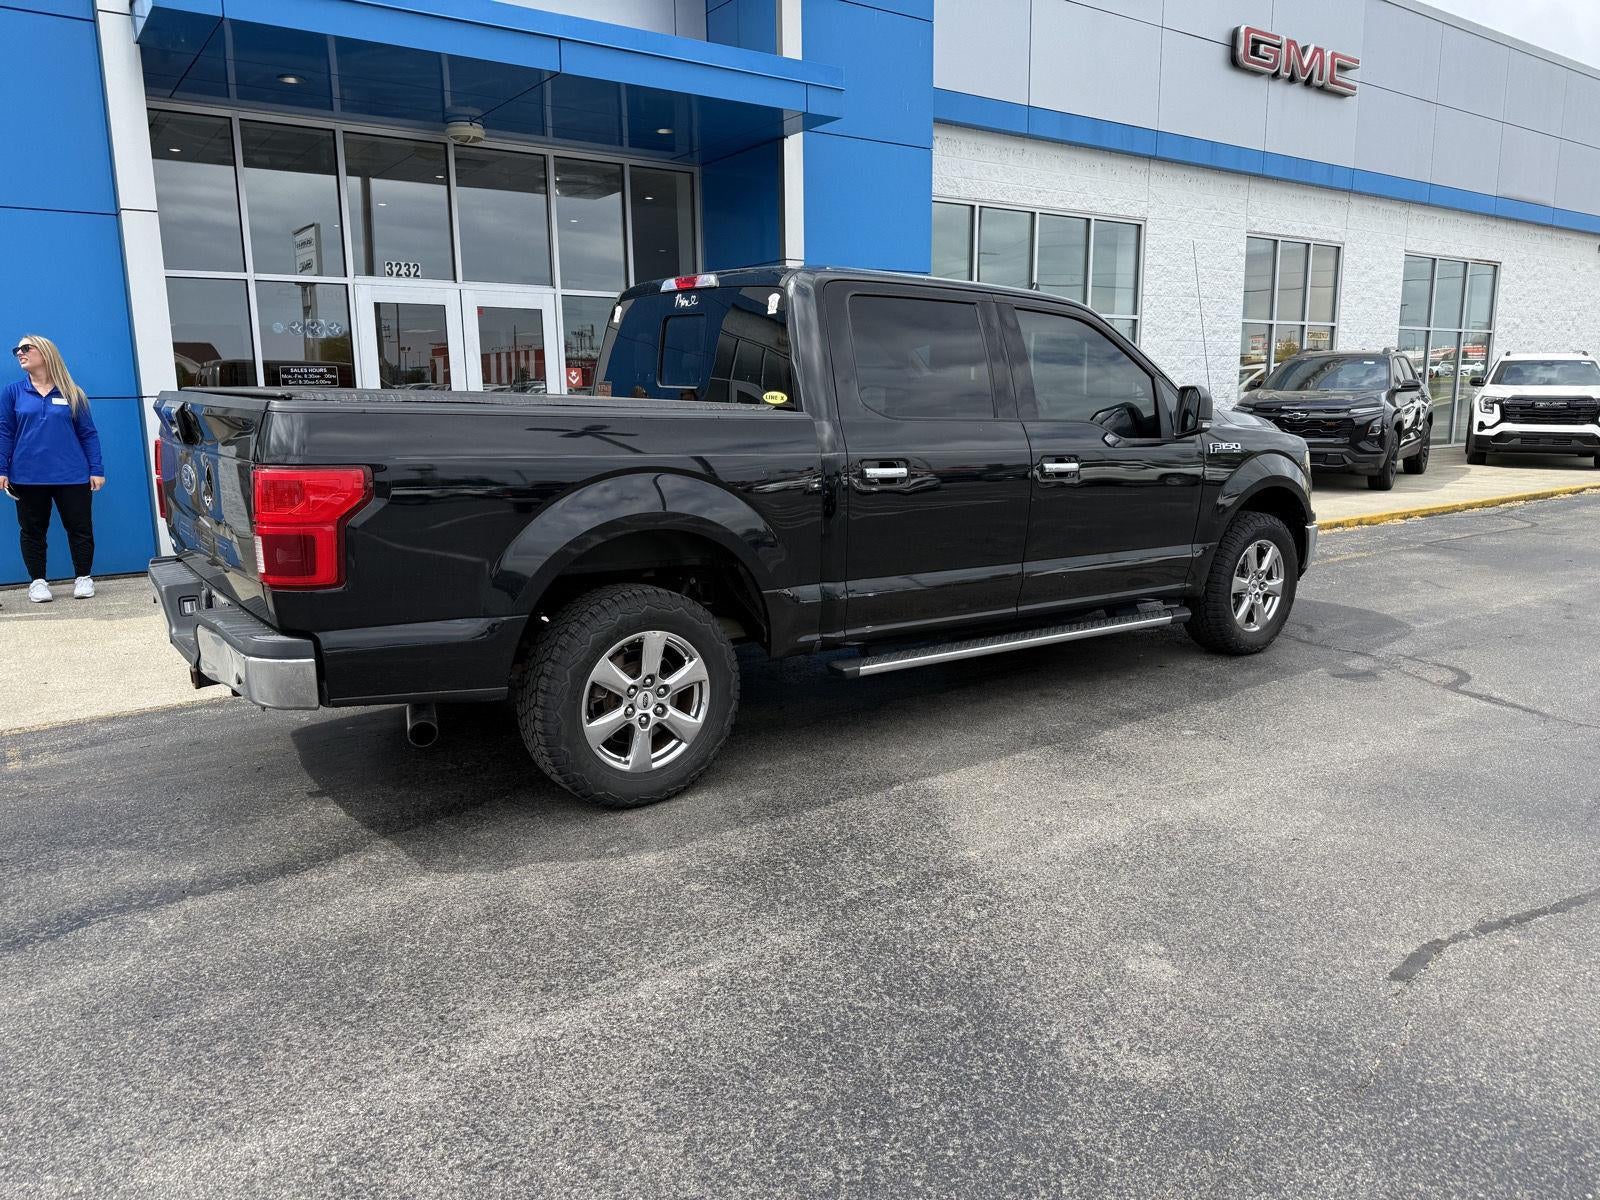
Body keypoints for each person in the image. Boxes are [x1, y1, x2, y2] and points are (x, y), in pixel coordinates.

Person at [0, 335, 104, 603]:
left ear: (45, 353)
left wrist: (96, 468)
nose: (19, 353)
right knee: (32, 531)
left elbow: (88, 434)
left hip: (72, 475)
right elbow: (5, 432)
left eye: (25, 348)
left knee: (80, 528)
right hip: (27, 476)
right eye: (16, 350)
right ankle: (38, 583)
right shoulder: (12, 392)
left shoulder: (72, 392)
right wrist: (2, 469)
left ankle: (83, 578)